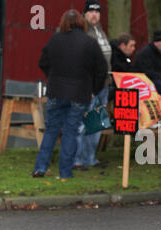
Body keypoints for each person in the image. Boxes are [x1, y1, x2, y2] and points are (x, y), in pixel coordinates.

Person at [32, 9, 107, 178]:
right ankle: (65, 171)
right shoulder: (90, 43)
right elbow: (101, 70)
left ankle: (40, 167)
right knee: (70, 132)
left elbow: (43, 62)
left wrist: (52, 78)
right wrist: (93, 90)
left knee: (51, 130)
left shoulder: (54, 40)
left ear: (63, 23)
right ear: (82, 23)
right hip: (79, 93)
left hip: (56, 91)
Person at [74, 0, 112, 170]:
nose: (94, 15)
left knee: (96, 123)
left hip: (103, 84)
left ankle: (90, 157)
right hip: (88, 86)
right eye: (91, 12)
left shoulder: (101, 32)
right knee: (81, 123)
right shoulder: (82, 32)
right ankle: (76, 159)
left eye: (97, 12)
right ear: (85, 14)